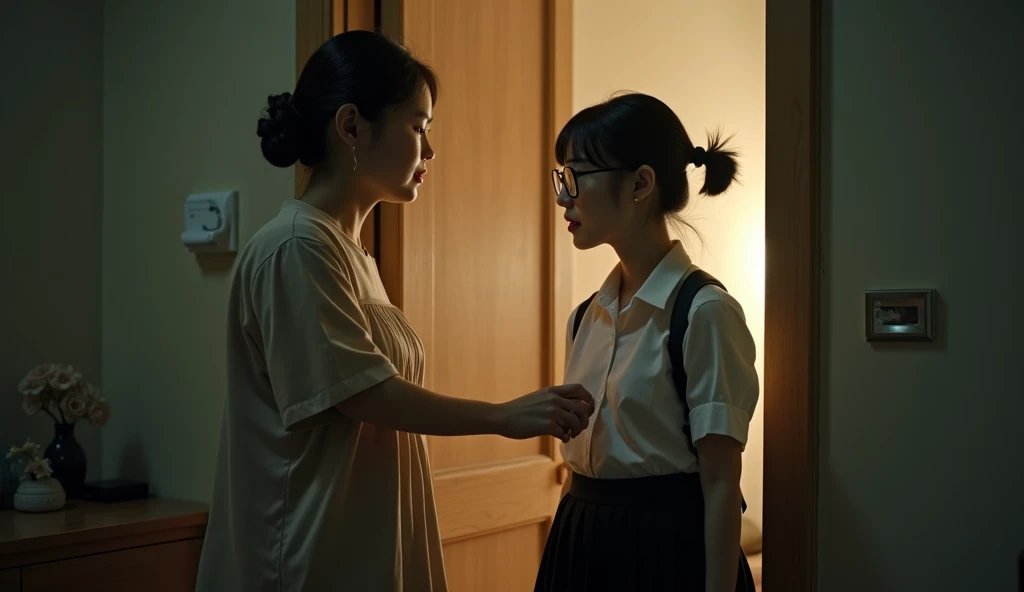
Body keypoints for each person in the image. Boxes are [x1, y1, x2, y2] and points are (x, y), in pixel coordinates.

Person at [195, 30, 594, 592]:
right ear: (352, 126)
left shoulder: (347, 252)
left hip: (358, 538)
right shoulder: (296, 248)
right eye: (418, 127)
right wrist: (503, 417)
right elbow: (363, 394)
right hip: (307, 555)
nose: (429, 151)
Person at [535, 92, 759, 592]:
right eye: (561, 177)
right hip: (581, 540)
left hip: (664, 549)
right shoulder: (585, 318)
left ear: (640, 183)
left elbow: (721, 484)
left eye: (575, 176)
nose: (562, 197)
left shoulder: (704, 312)